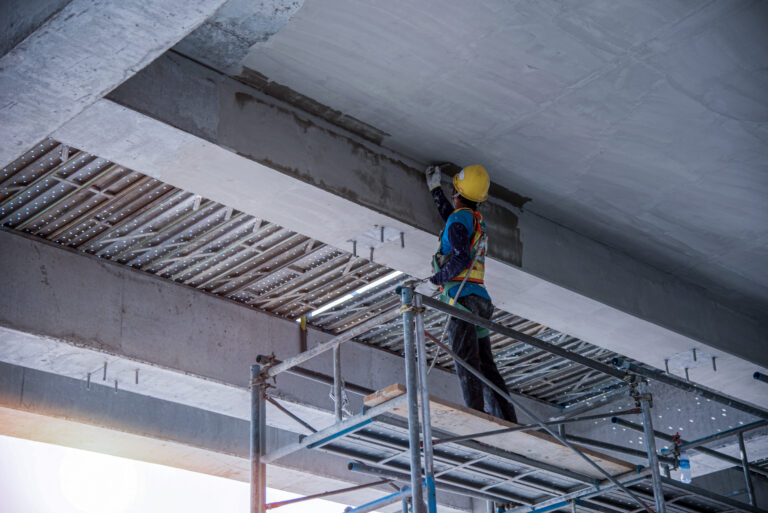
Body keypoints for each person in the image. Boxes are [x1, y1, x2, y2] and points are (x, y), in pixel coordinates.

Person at [425, 164, 517, 423]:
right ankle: (508, 420)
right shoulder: (474, 220)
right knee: (487, 368)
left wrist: (438, 279)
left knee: (467, 362)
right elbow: (451, 220)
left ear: (456, 190)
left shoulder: (459, 220)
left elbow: (461, 256)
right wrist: (434, 190)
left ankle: (476, 415)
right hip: (480, 300)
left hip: (460, 299)